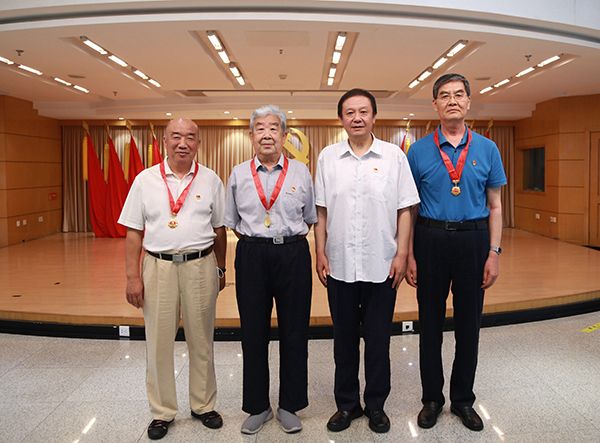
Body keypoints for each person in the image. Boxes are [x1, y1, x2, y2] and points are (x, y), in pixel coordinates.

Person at [314, 89, 420, 434]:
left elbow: (405, 209)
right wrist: (320, 251)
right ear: (341, 119)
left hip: (382, 264)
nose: (356, 118)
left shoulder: (394, 157)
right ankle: (346, 405)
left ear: (374, 116)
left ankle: (376, 406)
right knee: (343, 342)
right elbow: (321, 211)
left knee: (377, 342)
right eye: (350, 112)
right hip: (340, 264)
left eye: (363, 111)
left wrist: (402, 254)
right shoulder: (328, 157)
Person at [406, 73, 506, 432]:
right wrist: (409, 255)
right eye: (445, 95)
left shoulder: (487, 148)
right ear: (434, 104)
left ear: (468, 102)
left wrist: (493, 252)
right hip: (429, 239)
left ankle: (463, 399)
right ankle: (432, 399)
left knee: (469, 326)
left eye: (459, 94)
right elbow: (409, 208)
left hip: (472, 241)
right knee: (430, 325)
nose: (452, 100)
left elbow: (495, 205)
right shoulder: (417, 151)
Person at [119, 117, 227, 440]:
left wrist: (221, 268)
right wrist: (132, 277)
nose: (183, 143)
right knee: (158, 341)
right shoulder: (145, 180)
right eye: (176, 136)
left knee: (201, 339)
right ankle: (162, 412)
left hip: (200, 266)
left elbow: (219, 229)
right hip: (157, 267)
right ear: (164, 141)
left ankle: (203, 405)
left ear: (198, 143)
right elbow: (133, 232)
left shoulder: (211, 179)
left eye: (190, 137)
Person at [224, 105, 317, 435]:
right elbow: (232, 222)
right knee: (253, 332)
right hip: (252, 255)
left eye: (273, 128)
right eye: (260, 129)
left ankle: (290, 404)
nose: (267, 135)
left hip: (292, 254)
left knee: (295, 331)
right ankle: (258, 406)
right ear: (251, 136)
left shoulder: (301, 172)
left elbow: (309, 219)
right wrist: (259, 241)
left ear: (284, 135)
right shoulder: (238, 174)